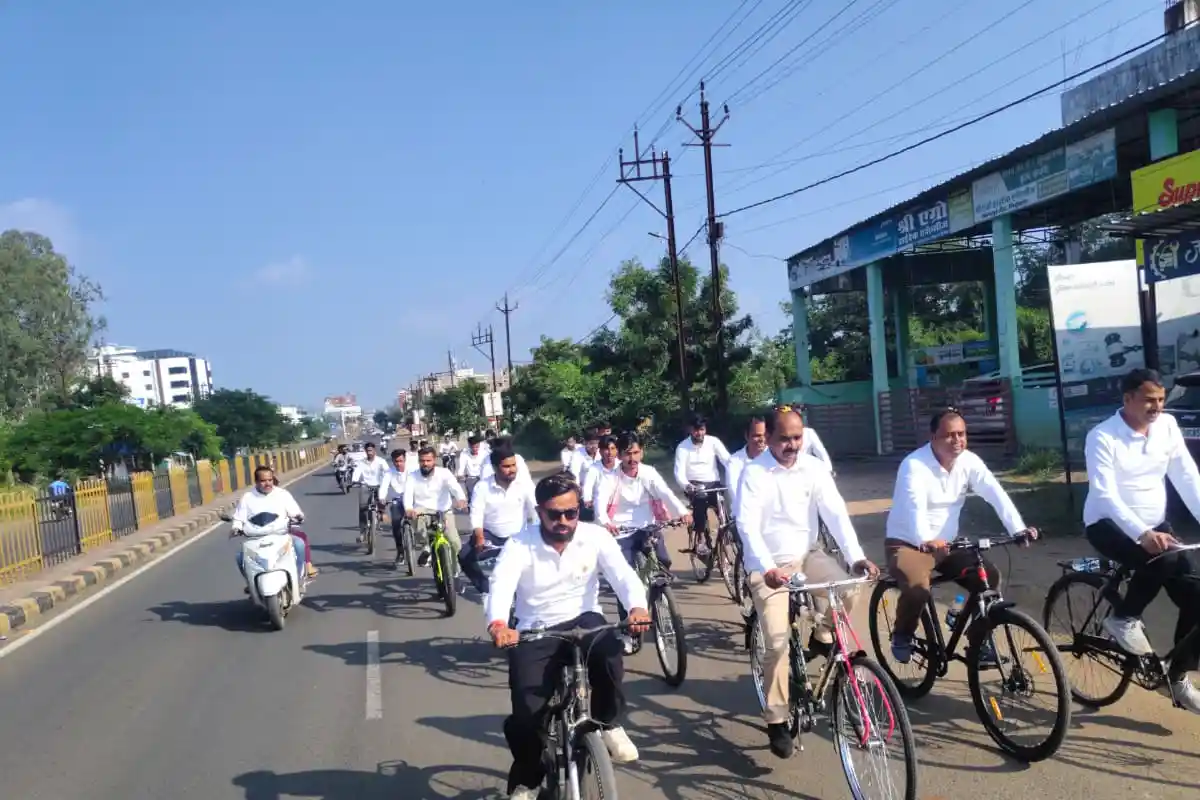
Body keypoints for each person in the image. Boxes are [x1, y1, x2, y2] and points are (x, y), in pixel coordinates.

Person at [486, 472, 650, 798]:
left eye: (570, 513)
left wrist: (636, 607)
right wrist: (499, 624)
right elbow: (500, 585)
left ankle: (608, 724)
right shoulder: (521, 543)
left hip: (584, 618)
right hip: (536, 627)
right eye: (554, 514)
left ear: (579, 510)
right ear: (539, 511)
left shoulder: (596, 536)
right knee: (526, 711)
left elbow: (623, 575)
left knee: (609, 654)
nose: (563, 521)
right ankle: (527, 780)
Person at [736, 406, 877, 758]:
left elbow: (835, 512)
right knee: (778, 645)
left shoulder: (813, 468)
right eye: (784, 438)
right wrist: (768, 568)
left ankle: (821, 635)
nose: (792, 444)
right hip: (766, 565)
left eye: (797, 437)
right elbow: (747, 526)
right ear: (767, 438)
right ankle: (777, 719)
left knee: (849, 587)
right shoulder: (753, 474)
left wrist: (856, 555)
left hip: (806, 553)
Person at [1083, 368, 1200, 711]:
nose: (1157, 406)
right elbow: (1104, 494)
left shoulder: (1166, 427)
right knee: (1160, 559)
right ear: (1127, 399)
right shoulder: (1103, 436)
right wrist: (1141, 533)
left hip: (1155, 524)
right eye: (1149, 399)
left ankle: (1176, 678)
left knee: (1197, 594)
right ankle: (1123, 617)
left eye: (1161, 399)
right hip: (1108, 524)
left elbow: (1186, 476)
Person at [884, 407, 1034, 665]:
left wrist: (1017, 529)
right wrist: (925, 539)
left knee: (988, 577)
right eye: (949, 435)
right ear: (933, 438)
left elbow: (994, 493)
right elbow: (913, 505)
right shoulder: (914, 465)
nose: (957, 440)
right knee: (919, 590)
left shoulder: (969, 461)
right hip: (909, 544)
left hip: (948, 544)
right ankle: (902, 634)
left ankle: (979, 642)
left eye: (962, 434)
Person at [596, 431, 690, 652]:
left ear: (642, 452)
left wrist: (682, 512)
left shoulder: (648, 473)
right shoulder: (610, 478)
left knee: (663, 563)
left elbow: (665, 493)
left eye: (636, 452)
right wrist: (606, 521)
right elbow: (600, 504)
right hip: (621, 531)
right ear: (619, 455)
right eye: (628, 454)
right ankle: (628, 630)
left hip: (648, 526)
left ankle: (659, 599)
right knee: (625, 580)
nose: (633, 458)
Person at [462, 441, 537, 599]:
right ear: (495, 468)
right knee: (464, 556)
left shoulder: (524, 485)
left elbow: (536, 510)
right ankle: (486, 590)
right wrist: (479, 536)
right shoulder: (482, 487)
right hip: (490, 536)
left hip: (518, 536)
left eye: (513, 465)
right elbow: (476, 513)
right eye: (506, 467)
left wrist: (539, 533)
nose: (512, 470)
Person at [231, 465, 318, 578]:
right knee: (240, 556)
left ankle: (299, 577)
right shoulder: (247, 497)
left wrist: (298, 517)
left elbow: (295, 512)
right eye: (263, 481)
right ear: (256, 482)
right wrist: (236, 527)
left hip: (280, 534)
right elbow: (239, 517)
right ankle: (252, 582)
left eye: (270, 480)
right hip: (257, 537)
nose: (267, 483)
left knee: (299, 544)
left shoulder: (282, 494)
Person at [673, 414, 732, 555]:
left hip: (713, 483)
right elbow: (679, 473)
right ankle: (700, 540)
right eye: (696, 430)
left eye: (702, 429)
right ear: (690, 430)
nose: (699, 433)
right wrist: (688, 487)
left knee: (725, 503)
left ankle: (729, 531)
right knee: (700, 502)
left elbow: (728, 461)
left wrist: (738, 474)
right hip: (694, 485)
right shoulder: (682, 447)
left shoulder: (713, 442)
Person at [405, 445, 469, 568]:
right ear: (419, 461)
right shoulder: (412, 476)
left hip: (444, 511)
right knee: (417, 524)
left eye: (428, 460)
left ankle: (455, 571)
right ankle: (427, 547)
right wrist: (408, 508)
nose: (425, 464)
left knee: (455, 542)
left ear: (434, 460)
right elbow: (408, 494)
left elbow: (454, 487)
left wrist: (461, 499)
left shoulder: (444, 473)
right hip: (422, 510)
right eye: (422, 461)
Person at [378, 449, 413, 569]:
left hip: (412, 501)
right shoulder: (389, 473)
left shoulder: (412, 471)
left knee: (423, 522)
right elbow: (383, 487)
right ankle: (401, 552)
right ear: (393, 461)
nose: (399, 464)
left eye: (401, 461)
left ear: (405, 460)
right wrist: (382, 498)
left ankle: (426, 548)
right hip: (397, 501)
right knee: (396, 525)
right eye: (396, 461)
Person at [350, 442, 391, 542]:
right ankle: (362, 532)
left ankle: (381, 513)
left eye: (371, 450)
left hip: (379, 485)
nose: (369, 453)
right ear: (365, 451)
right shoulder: (361, 462)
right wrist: (354, 480)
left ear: (374, 450)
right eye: (367, 451)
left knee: (382, 500)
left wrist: (388, 479)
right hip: (365, 486)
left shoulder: (381, 461)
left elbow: (387, 471)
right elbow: (357, 472)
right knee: (363, 509)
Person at [726, 416, 768, 511]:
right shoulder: (734, 461)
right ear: (746, 436)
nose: (762, 439)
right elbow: (735, 493)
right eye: (756, 436)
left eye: (764, 435)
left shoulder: (775, 457)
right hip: (744, 513)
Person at [580, 433, 616, 522]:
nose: (610, 452)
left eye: (612, 449)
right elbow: (588, 486)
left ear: (617, 450)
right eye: (606, 449)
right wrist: (587, 499)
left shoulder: (621, 466)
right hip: (601, 508)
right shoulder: (594, 468)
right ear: (600, 452)